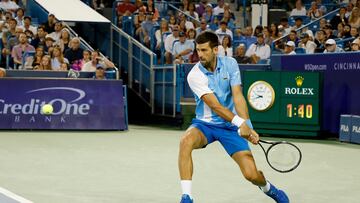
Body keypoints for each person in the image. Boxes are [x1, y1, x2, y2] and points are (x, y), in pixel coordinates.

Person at [179, 31, 289, 203]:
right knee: (185, 141)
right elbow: (215, 106)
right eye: (198, 50)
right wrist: (240, 123)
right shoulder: (194, 75)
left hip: (230, 127)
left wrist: (248, 126)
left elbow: (238, 96)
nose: (199, 55)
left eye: (204, 50)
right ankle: (187, 197)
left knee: (251, 175)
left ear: (216, 50)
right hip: (205, 125)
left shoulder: (230, 64)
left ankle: (269, 188)